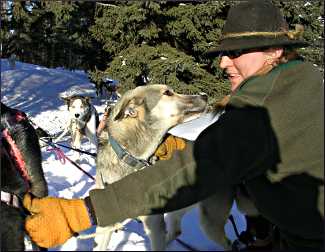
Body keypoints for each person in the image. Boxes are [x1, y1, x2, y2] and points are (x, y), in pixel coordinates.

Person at [23, 0, 324, 250]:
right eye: (223, 53)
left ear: (274, 51)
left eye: (235, 52)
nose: (223, 63)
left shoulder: (261, 106)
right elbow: (263, 160)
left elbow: (194, 172)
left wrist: (83, 212)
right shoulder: (299, 82)